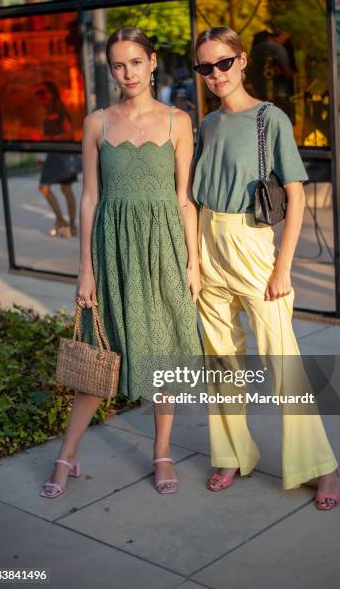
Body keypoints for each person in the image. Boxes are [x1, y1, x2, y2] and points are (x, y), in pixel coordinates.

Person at [40, 27, 202, 499]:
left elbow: (184, 199)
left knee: (163, 352)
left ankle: (162, 452)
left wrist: (193, 264)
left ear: (153, 62)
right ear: (110, 69)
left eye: (136, 61)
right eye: (118, 64)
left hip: (163, 248)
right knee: (99, 353)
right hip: (111, 250)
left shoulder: (179, 121)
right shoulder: (98, 122)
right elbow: (89, 199)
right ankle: (67, 454)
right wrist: (84, 268)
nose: (127, 72)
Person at [192, 26, 340, 510]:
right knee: (220, 360)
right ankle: (232, 453)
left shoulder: (268, 118)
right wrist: (194, 259)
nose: (215, 75)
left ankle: (321, 466)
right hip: (208, 243)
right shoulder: (208, 124)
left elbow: (295, 194)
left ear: (242, 62)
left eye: (223, 63)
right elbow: (193, 197)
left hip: (252, 247)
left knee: (282, 359)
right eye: (205, 67)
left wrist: (283, 267)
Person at [35, 81, 79, 238]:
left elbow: (69, 133)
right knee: (45, 188)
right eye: (37, 94)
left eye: (43, 93)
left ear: (52, 93)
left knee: (65, 189)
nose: (40, 97)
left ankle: (71, 225)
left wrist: (49, 138)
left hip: (63, 155)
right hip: (53, 156)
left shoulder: (60, 111)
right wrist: (42, 155)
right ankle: (61, 220)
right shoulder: (48, 112)